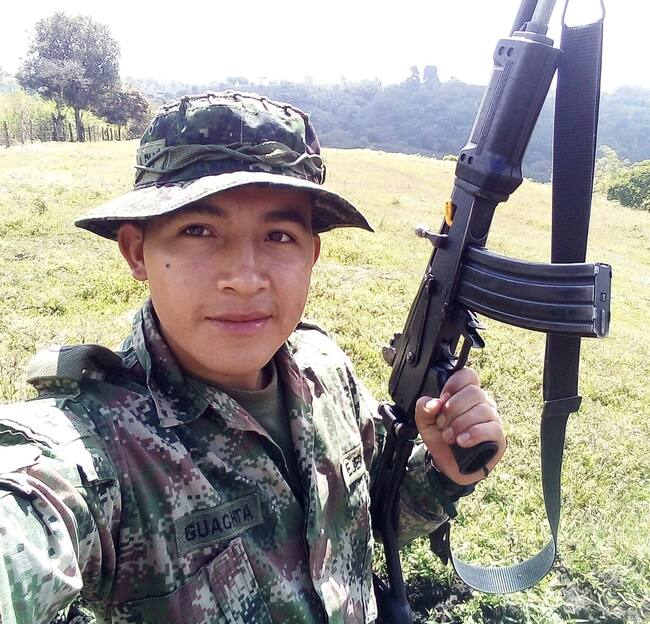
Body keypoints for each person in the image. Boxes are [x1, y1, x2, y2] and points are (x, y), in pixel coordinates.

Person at [0, 91, 506, 624]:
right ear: (136, 250)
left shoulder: (324, 368)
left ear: (310, 255)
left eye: (278, 236)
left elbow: (368, 516)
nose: (244, 279)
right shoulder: (93, 448)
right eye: (198, 231)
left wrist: (443, 472)